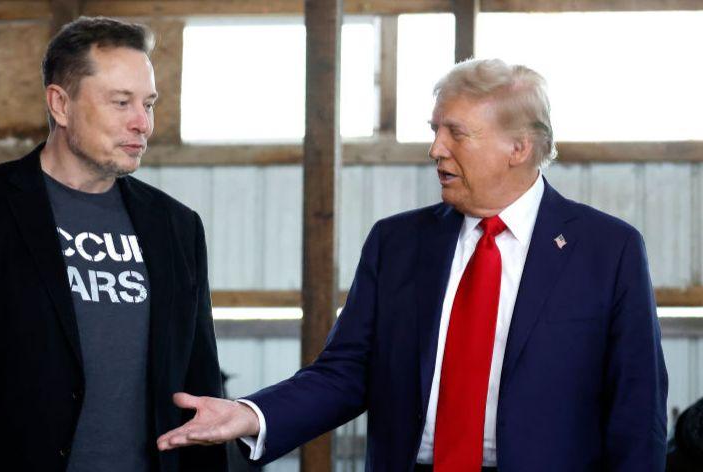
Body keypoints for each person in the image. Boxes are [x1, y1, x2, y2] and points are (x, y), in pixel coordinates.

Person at [156, 59, 668, 471]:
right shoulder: (397, 242)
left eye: (456, 133)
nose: (435, 149)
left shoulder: (608, 250)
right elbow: (346, 372)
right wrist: (249, 414)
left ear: (519, 147)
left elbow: (636, 408)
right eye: (434, 130)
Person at [0, 16, 226, 472]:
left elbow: (201, 386)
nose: (143, 124)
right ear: (61, 104)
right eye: (121, 102)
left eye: (149, 104)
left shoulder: (176, 226)